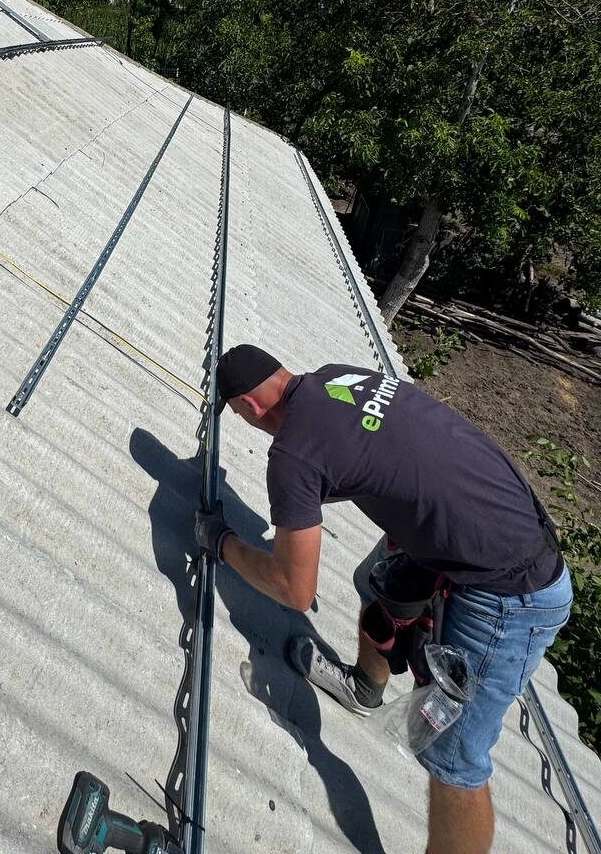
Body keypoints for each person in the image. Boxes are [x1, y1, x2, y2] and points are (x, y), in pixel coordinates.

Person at [195, 344, 571, 854]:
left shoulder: (292, 455)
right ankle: (365, 689)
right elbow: (373, 454)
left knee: (454, 760)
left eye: (239, 414)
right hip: (502, 528)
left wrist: (223, 543)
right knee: (376, 579)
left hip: (509, 593)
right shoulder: (335, 378)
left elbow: (294, 589)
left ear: (248, 406)